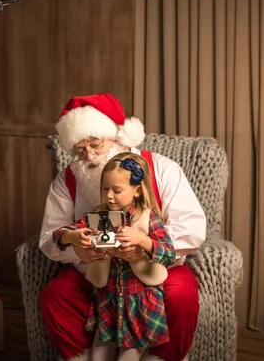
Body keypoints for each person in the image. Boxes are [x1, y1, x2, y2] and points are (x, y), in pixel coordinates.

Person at [39, 93, 206, 361]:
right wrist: (77, 250)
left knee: (183, 297)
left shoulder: (162, 168)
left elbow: (192, 227)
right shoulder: (67, 180)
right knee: (54, 296)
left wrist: (143, 245)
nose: (90, 156)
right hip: (97, 274)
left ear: (118, 137)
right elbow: (51, 237)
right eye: (80, 150)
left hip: (155, 269)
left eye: (96, 144)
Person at [54, 153, 176, 361]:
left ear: (137, 190)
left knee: (127, 358)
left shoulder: (147, 216)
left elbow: (169, 253)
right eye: (105, 188)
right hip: (108, 299)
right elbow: (59, 234)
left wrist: (142, 240)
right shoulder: (99, 216)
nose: (109, 196)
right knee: (97, 356)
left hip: (140, 301)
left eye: (117, 190)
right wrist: (72, 237)